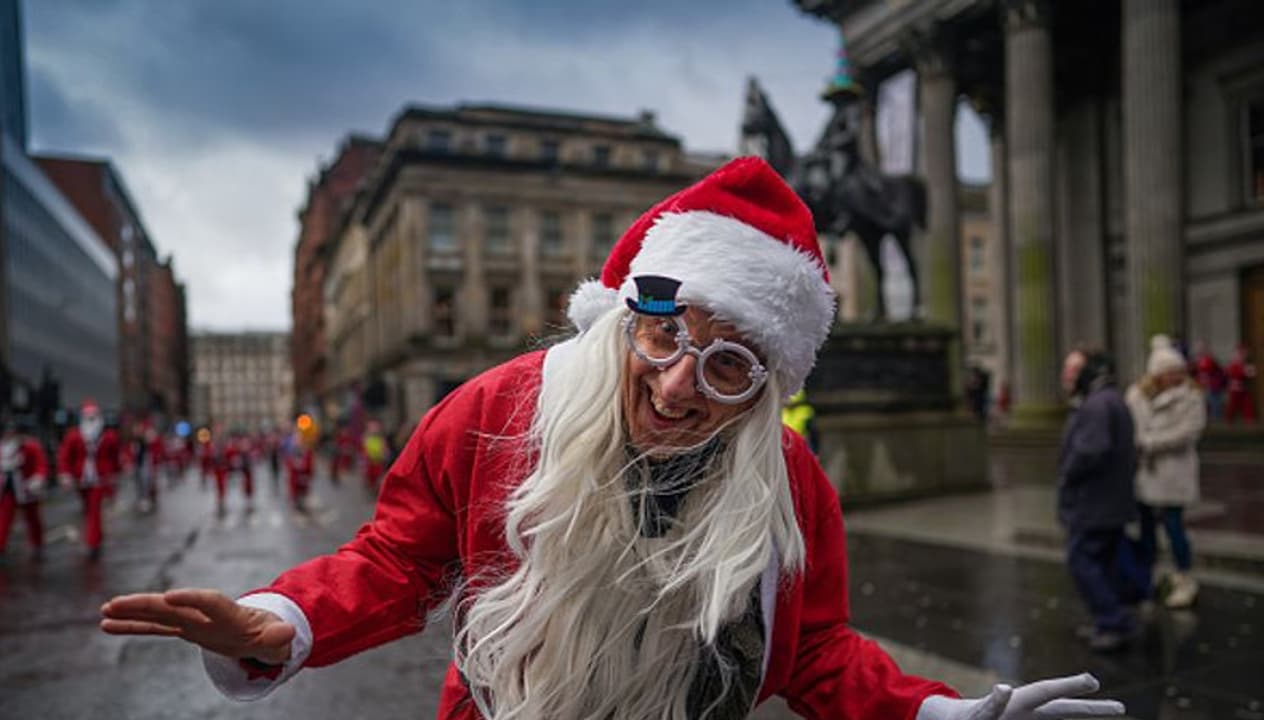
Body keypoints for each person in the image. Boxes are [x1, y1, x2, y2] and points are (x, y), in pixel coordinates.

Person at [100, 158, 1123, 720]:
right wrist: (282, 621)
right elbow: (398, 562)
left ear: (763, 391)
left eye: (727, 367)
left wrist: (931, 716)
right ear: (626, 313)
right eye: (662, 334)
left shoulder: (787, 478)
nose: (677, 384)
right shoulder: (500, 410)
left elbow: (811, 648)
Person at [1058, 349, 1139, 652]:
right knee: (1103, 564)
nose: (1068, 376)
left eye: (1073, 370)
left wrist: (1068, 475)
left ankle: (1113, 620)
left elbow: (1090, 451)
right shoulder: (1109, 399)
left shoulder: (1096, 404)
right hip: (1109, 502)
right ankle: (1108, 619)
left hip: (1094, 504)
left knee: (1082, 561)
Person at [1125, 336, 1206, 609]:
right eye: (1169, 372)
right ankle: (1147, 577)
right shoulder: (1137, 396)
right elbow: (1131, 427)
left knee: (1174, 528)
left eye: (1178, 371)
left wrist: (1149, 443)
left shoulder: (1192, 396)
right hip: (1146, 473)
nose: (1175, 376)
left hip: (1173, 473)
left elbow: (1189, 432)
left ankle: (1184, 577)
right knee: (1146, 529)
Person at [57, 401, 122, 561]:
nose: (91, 419)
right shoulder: (74, 435)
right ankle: (96, 538)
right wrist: (65, 474)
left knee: (94, 509)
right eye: (88, 416)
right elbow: (65, 456)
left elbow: (115, 457)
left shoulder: (109, 436)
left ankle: (92, 543)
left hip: (100, 479)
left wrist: (114, 475)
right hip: (81, 480)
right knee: (89, 509)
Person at [0, 417, 49, 566]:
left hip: (26, 488)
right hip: (5, 489)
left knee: (33, 518)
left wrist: (38, 478)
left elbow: (41, 464)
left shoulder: (31, 447)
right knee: (2, 520)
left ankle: (37, 544)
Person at [1190, 341, 1226, 421]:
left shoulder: (1211, 360)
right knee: (1200, 403)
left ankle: (1216, 419)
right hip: (1201, 385)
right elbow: (1193, 373)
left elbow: (1218, 372)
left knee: (1215, 402)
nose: (1199, 351)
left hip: (1212, 386)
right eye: (1198, 349)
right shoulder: (1195, 361)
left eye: (1201, 349)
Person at [1224, 344, 1257, 423]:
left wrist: (1247, 371)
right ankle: (1228, 420)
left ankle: (1249, 420)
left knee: (1247, 404)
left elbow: (1252, 373)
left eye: (1242, 355)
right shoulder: (1233, 365)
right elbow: (1233, 373)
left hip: (1242, 389)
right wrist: (1245, 371)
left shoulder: (1244, 365)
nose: (1241, 357)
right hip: (1234, 390)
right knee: (1232, 406)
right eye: (1239, 354)